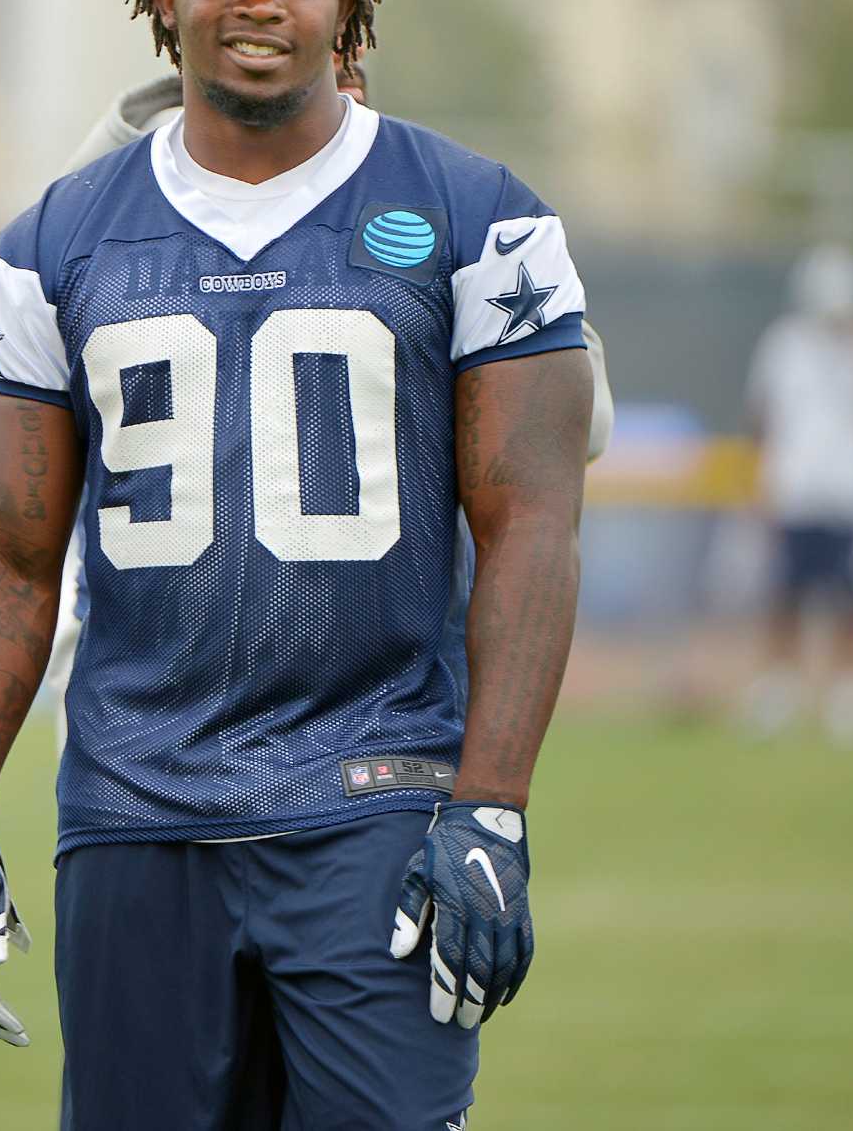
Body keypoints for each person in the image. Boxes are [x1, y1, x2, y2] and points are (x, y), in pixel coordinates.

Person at [0, 0, 593, 1128]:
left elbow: (529, 526)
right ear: (163, 2)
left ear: (348, 5)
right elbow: (2, 557)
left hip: (372, 800)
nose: (255, 2)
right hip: (133, 813)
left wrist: (490, 807)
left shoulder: (472, 214)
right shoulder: (51, 243)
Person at [44, 56, 614, 754]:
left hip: (374, 704)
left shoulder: (421, 223)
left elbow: (585, 424)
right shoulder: (122, 226)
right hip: (145, 692)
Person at [742, 244, 853, 744]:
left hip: (852, 492)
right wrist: (756, 484)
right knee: (785, 595)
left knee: (851, 596)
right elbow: (762, 415)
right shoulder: (785, 343)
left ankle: (849, 692)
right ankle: (780, 687)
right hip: (794, 490)